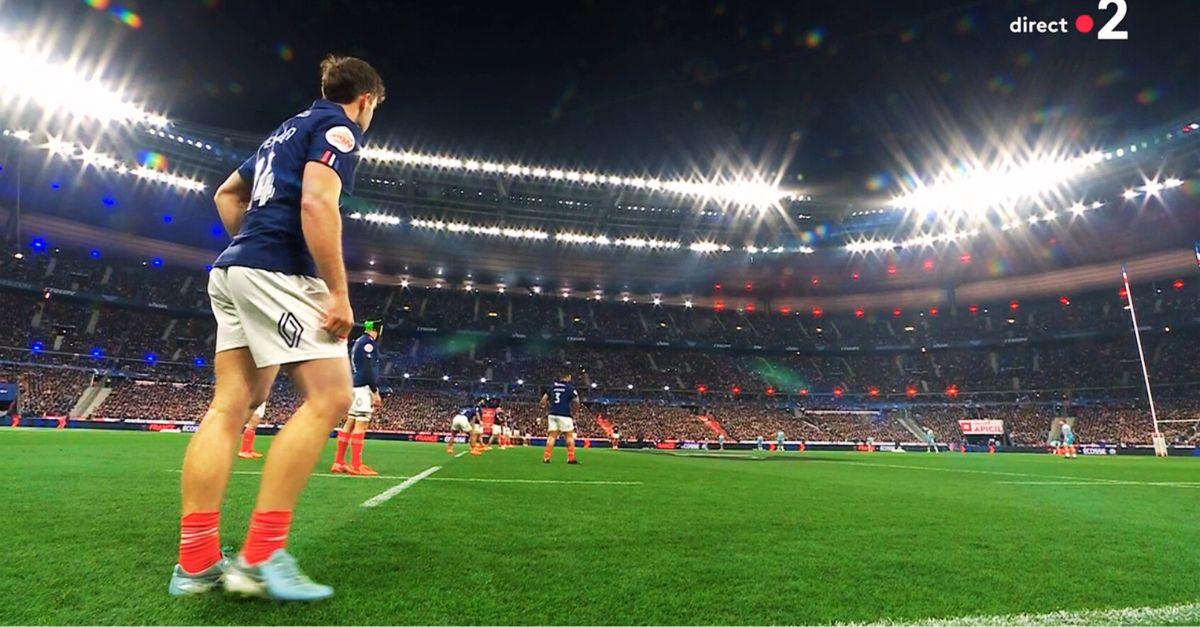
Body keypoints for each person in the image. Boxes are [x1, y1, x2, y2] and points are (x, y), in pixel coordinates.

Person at [169, 55, 384, 602]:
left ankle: (195, 562)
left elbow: (226, 194)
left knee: (230, 407)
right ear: (365, 100)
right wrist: (338, 291)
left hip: (234, 268)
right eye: (373, 109)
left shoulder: (282, 132)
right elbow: (316, 202)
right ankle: (262, 556)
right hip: (278, 270)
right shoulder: (339, 128)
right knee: (332, 397)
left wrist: (250, 245)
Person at [331, 320, 383, 475]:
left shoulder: (359, 341)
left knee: (350, 422)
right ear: (377, 330)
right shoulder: (369, 343)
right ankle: (356, 465)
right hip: (363, 388)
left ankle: (339, 462)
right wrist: (375, 391)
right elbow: (367, 369)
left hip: (354, 385)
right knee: (361, 424)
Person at [541, 371, 580, 464]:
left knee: (552, 436)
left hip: (552, 414)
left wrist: (549, 408)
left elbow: (543, 401)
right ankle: (571, 458)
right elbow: (576, 401)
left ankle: (546, 457)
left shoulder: (553, 387)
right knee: (569, 436)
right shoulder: (570, 388)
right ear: (568, 377)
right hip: (564, 414)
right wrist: (574, 412)